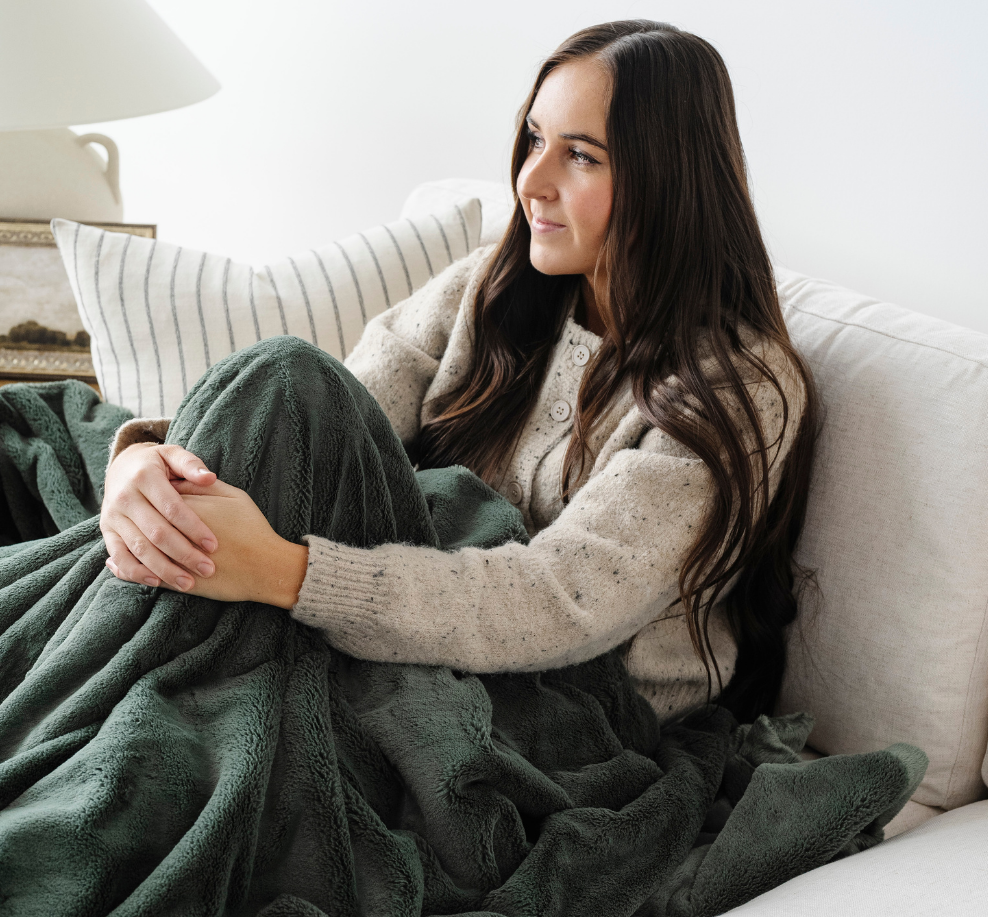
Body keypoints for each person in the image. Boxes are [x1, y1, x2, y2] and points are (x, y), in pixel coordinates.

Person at [99, 19, 818, 724]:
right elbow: (320, 424)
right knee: (272, 382)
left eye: (581, 156)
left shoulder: (740, 387)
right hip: (401, 639)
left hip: (567, 705)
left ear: (671, 181)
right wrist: (149, 464)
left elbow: (561, 602)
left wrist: (282, 572)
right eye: (534, 139)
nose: (532, 180)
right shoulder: (491, 287)